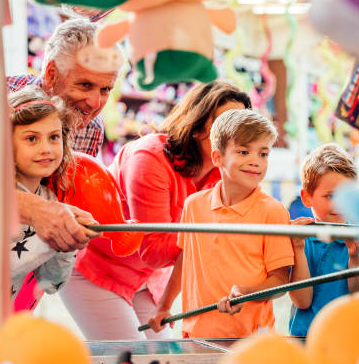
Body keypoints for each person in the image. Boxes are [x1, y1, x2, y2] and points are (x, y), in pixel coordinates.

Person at [59, 81, 252, 340]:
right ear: (197, 125)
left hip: (146, 280)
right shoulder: (149, 158)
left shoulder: (220, 173)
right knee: (133, 358)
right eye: (224, 122)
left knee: (161, 357)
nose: (234, 134)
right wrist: (215, 240)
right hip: (96, 269)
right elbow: (153, 249)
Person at [148, 109, 295, 338]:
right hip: (197, 335)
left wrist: (247, 294)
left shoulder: (273, 211)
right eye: (244, 151)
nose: (255, 161)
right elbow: (185, 259)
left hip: (252, 340)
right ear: (218, 158)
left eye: (263, 154)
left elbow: (280, 280)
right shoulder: (194, 206)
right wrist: (164, 306)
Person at [7, 18, 119, 253]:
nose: (95, 103)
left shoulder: (91, 127)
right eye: (85, 85)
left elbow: (63, 198)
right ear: (51, 74)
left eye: (105, 89)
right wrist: (36, 209)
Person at [8, 86, 96, 307]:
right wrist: (51, 237)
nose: (46, 148)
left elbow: (50, 283)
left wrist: (66, 244)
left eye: (54, 137)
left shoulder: (50, 199)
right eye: (31, 138)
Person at [288, 143, 359, 337]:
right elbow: (302, 301)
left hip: (351, 340)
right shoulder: (301, 240)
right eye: (330, 196)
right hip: (307, 341)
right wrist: (297, 249)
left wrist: (355, 256)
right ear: (307, 197)